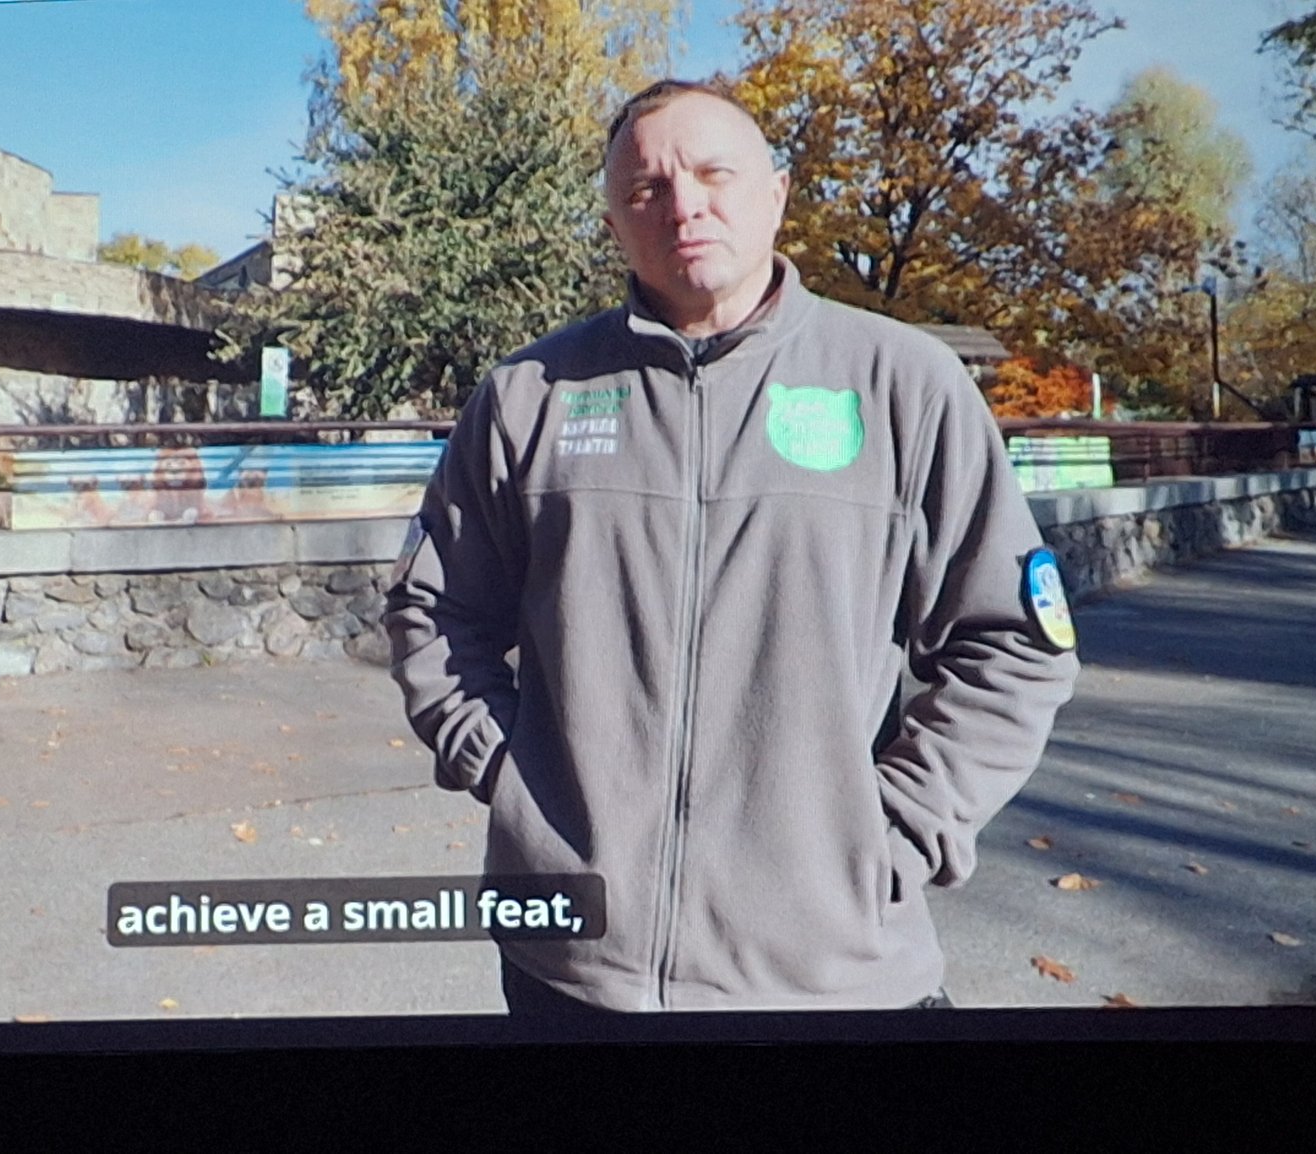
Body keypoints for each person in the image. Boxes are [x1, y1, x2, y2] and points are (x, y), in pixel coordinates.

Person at [383, 79, 1080, 1013]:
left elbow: (1017, 642)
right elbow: (437, 612)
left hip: (833, 977)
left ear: (779, 193)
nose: (684, 204)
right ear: (614, 220)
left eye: (715, 172)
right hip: (571, 972)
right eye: (645, 190)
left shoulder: (904, 384)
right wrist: (510, 777)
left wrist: (898, 831)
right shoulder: (528, 395)